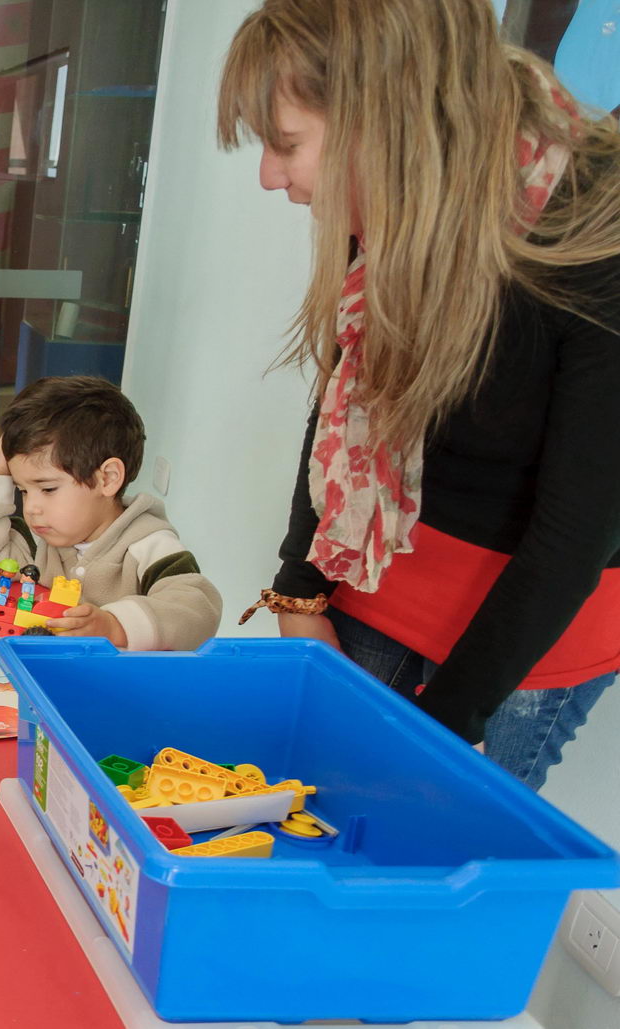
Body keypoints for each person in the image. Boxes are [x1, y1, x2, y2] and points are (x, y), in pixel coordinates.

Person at [221, 0, 620, 788]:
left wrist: (448, 725)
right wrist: (298, 587)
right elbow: (341, 396)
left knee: (425, 852)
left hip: (528, 630)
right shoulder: (394, 191)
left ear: (385, 118)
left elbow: (578, 531)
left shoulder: (590, 222)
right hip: (380, 577)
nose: (270, 176)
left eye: (287, 145)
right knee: (313, 808)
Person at [0, 376, 221, 651]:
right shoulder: (42, 541)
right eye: (22, 490)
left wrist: (115, 626)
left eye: (48, 489)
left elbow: (198, 611)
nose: (31, 507)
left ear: (107, 479)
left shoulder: (148, 544)